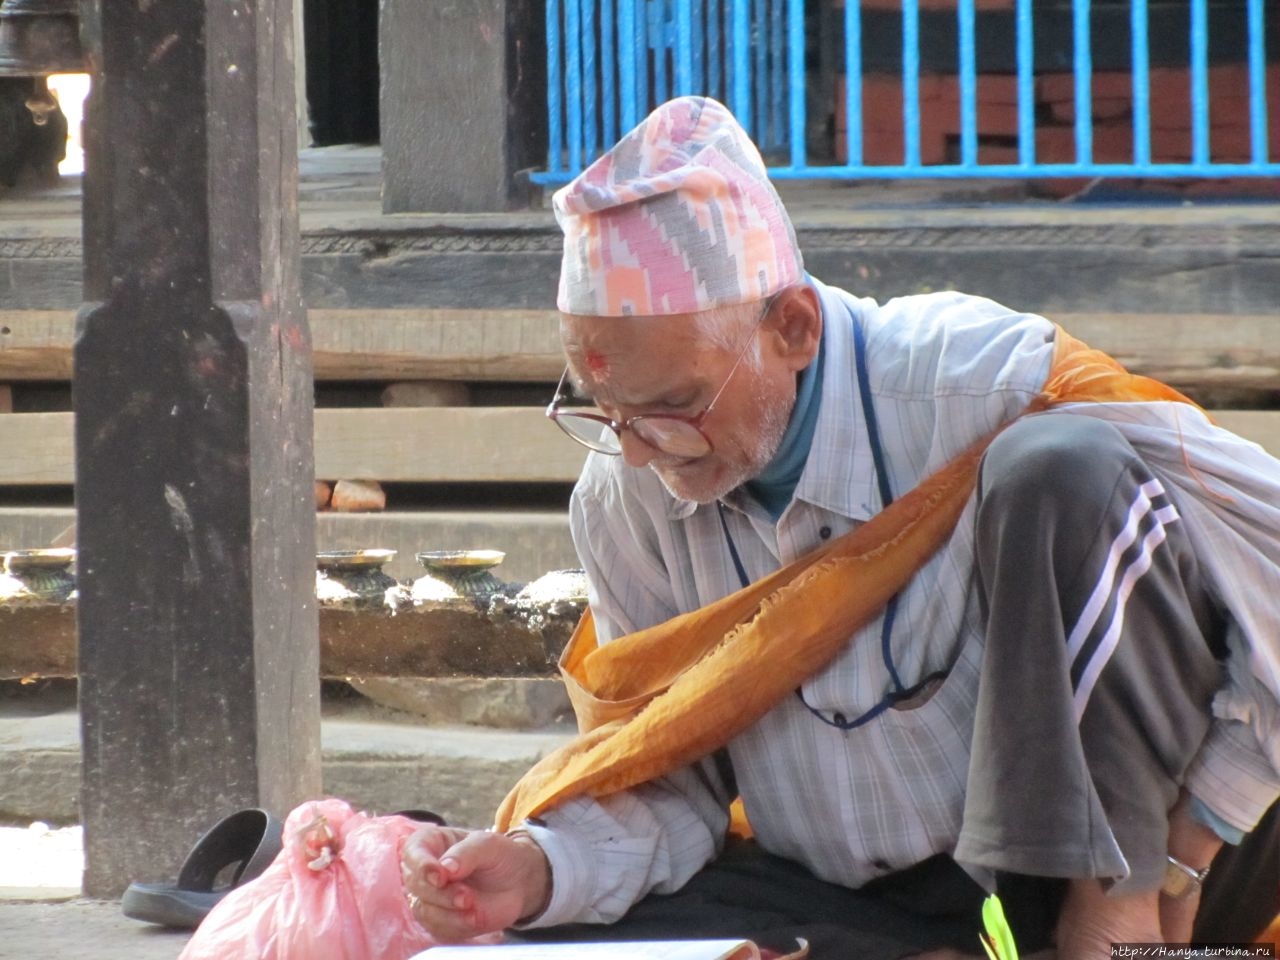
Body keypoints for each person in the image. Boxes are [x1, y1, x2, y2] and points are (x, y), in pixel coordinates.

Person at [402, 96, 1280, 958]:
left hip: (1165, 870)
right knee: (581, 935)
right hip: (871, 901)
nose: (639, 453)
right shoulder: (622, 494)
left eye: (674, 405)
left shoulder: (984, 383)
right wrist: (539, 871)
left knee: (1060, 468)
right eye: (601, 412)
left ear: (793, 326)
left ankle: (1110, 921)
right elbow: (664, 774)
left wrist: (1187, 848)